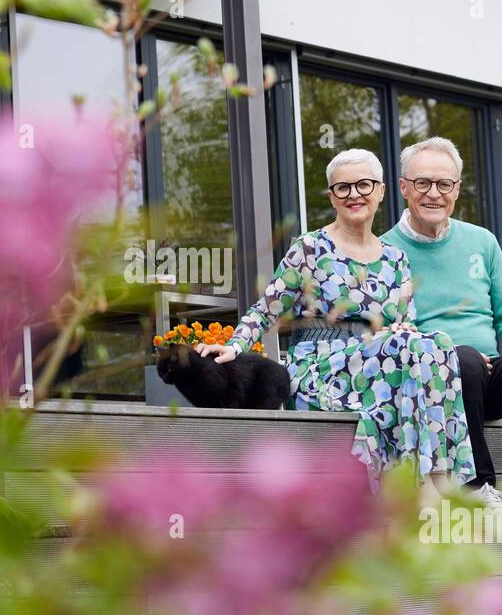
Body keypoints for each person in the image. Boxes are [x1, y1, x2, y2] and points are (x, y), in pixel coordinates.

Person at [195, 148, 475, 492]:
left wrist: (402, 332)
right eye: (343, 188)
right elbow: (265, 309)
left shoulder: (396, 259)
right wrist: (234, 345)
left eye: (364, 185)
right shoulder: (310, 248)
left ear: (382, 191)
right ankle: (430, 489)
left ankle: (436, 481)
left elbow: (408, 327)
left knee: (441, 343)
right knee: (412, 348)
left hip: (379, 366)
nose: (354, 194)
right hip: (320, 369)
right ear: (332, 197)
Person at [381, 136, 502, 513]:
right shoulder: (384, 251)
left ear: (457, 190)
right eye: (423, 183)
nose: (434, 193)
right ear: (404, 187)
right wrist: (447, 353)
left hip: (490, 375)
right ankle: (477, 485)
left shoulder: (482, 242)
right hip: (437, 383)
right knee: (461, 359)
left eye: (444, 184)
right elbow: (394, 332)